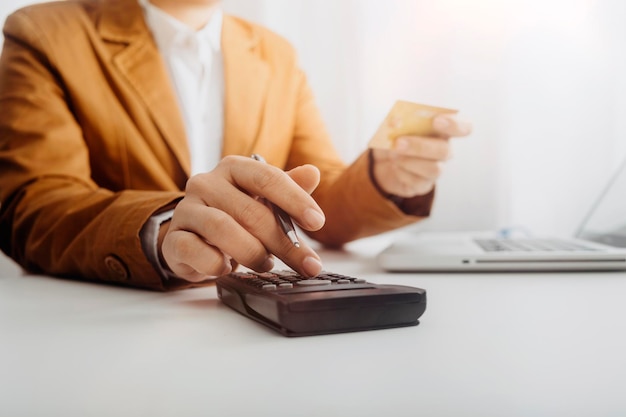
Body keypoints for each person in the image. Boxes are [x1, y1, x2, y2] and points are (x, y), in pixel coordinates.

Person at [0, 0, 471, 290]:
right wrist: (164, 231)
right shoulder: (45, 34)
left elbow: (318, 198)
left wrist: (382, 178)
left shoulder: (274, 53)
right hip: (108, 334)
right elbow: (33, 205)